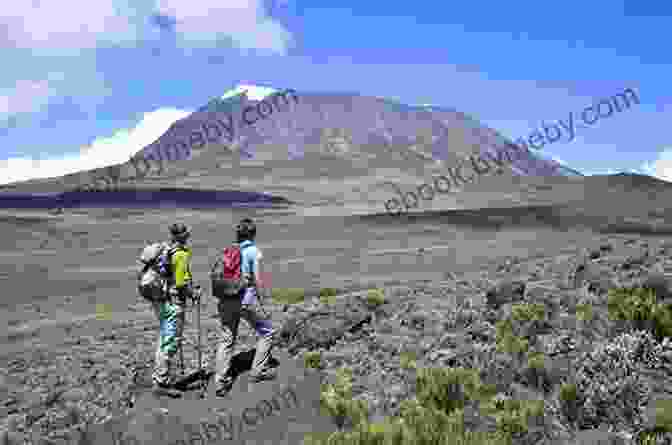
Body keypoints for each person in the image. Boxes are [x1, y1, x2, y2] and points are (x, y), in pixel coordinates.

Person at [214, 217, 277, 397]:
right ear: (253, 234)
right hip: (245, 300)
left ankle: (220, 380)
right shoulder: (253, 251)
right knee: (267, 332)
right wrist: (263, 303)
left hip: (226, 300)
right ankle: (257, 372)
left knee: (226, 338)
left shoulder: (229, 251)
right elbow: (257, 280)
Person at [152, 222, 194, 389]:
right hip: (174, 303)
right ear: (183, 236)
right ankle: (161, 382)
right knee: (170, 341)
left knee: (164, 338)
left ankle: (160, 377)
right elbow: (180, 283)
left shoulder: (167, 250)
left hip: (162, 301)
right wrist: (193, 293)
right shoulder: (181, 254)